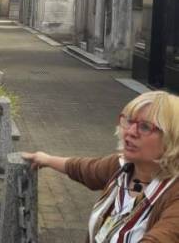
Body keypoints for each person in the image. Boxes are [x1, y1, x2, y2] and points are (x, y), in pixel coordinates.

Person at [23, 91, 179, 242]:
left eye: (145, 127)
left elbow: (167, 234)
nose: (130, 132)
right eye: (129, 121)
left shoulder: (173, 194)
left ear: (171, 139)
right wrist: (46, 159)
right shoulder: (121, 167)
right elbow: (83, 168)